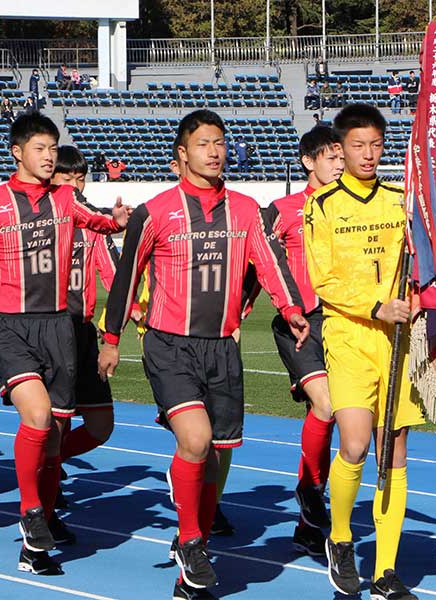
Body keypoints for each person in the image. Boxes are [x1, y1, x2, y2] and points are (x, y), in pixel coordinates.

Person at [99, 109, 308, 599]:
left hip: (222, 346)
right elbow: (127, 277)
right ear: (181, 155)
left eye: (219, 143)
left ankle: (190, 559)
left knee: (214, 456)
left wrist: (291, 307)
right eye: (203, 143)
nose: (214, 151)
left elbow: (269, 261)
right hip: (168, 344)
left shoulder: (245, 210)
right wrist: (111, 339)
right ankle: (193, 541)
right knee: (194, 440)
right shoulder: (156, 212)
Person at [0, 113, 129, 575]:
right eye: (40, 149)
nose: (49, 157)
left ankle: (37, 540)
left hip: (60, 328)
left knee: (54, 438)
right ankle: (31, 510)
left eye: (53, 148)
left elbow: (97, 223)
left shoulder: (66, 199)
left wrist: (118, 221)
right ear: (17, 152)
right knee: (38, 416)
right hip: (7, 326)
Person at [303, 104, 424, 600]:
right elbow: (323, 280)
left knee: (392, 451)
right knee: (353, 443)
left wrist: (418, 299)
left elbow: (421, 266)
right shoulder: (323, 205)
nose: (368, 154)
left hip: (397, 340)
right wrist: (377, 306)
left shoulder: (400, 201)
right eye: (357, 145)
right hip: (350, 335)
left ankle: (387, 571)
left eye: (376, 144)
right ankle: (340, 537)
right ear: (340, 149)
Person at [249, 126, 344, 557]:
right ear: (309, 161)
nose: (339, 162)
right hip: (300, 322)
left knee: (338, 419)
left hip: (347, 323)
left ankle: (309, 523)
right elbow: (258, 262)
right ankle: (310, 490)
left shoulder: (354, 208)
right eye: (330, 156)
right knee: (325, 406)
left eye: (341, 155)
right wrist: (239, 312)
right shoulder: (282, 210)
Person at [51, 146, 119, 509]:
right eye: (67, 179)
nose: (76, 186)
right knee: (55, 418)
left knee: (100, 425)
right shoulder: (42, 221)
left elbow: (114, 275)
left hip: (82, 331)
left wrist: (134, 307)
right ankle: (46, 482)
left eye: (80, 179)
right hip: (47, 331)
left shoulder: (95, 228)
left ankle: (50, 460)